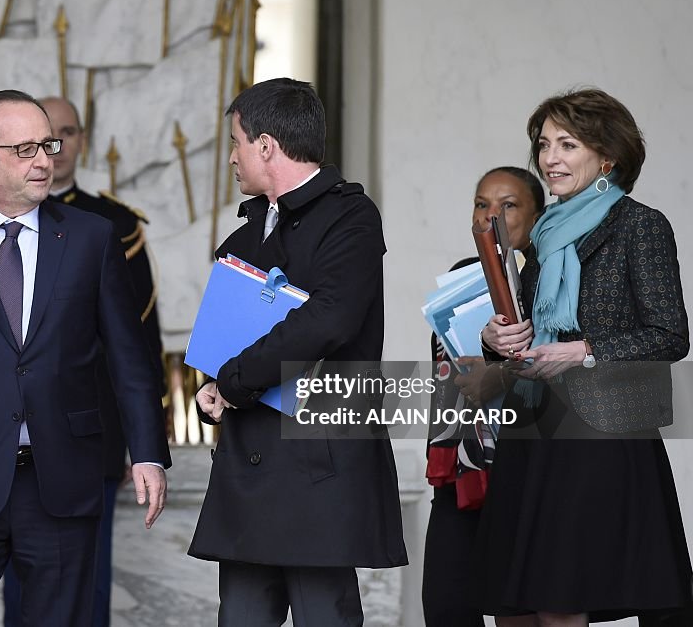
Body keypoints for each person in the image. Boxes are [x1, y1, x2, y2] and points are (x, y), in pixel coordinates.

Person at [0, 89, 171, 627]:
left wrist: (149, 451)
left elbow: (129, 357)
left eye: (48, 144)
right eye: (24, 149)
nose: (45, 160)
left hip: (63, 481)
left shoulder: (93, 238)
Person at [187, 77, 407, 626]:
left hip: (318, 462)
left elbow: (328, 320)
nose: (232, 157)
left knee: (322, 616)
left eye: (236, 142)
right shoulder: (246, 233)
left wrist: (234, 380)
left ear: (266, 145)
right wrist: (211, 387)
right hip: (249, 463)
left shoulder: (350, 218)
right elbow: (226, 338)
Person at [477, 88, 693, 625]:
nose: (550, 158)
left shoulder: (640, 225)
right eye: (545, 144)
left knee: (561, 599)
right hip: (534, 428)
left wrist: (588, 351)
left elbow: (670, 335)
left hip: (600, 434)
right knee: (520, 606)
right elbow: (527, 329)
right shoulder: (546, 235)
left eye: (568, 145)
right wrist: (496, 340)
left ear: (607, 157)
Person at [1, 96, 166, 627]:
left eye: (66, 133)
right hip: (7, 440)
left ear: (81, 141)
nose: (57, 146)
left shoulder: (113, 224)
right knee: (18, 593)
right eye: (44, 137)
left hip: (88, 435)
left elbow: (136, 343)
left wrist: (137, 439)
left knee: (86, 589)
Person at [422, 166, 544, 626]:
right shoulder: (461, 279)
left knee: (522, 612)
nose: (490, 216)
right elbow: (446, 378)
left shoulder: (548, 283)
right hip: (464, 465)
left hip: (529, 470)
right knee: (448, 607)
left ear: (538, 216)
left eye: (508, 205)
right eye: (481, 204)